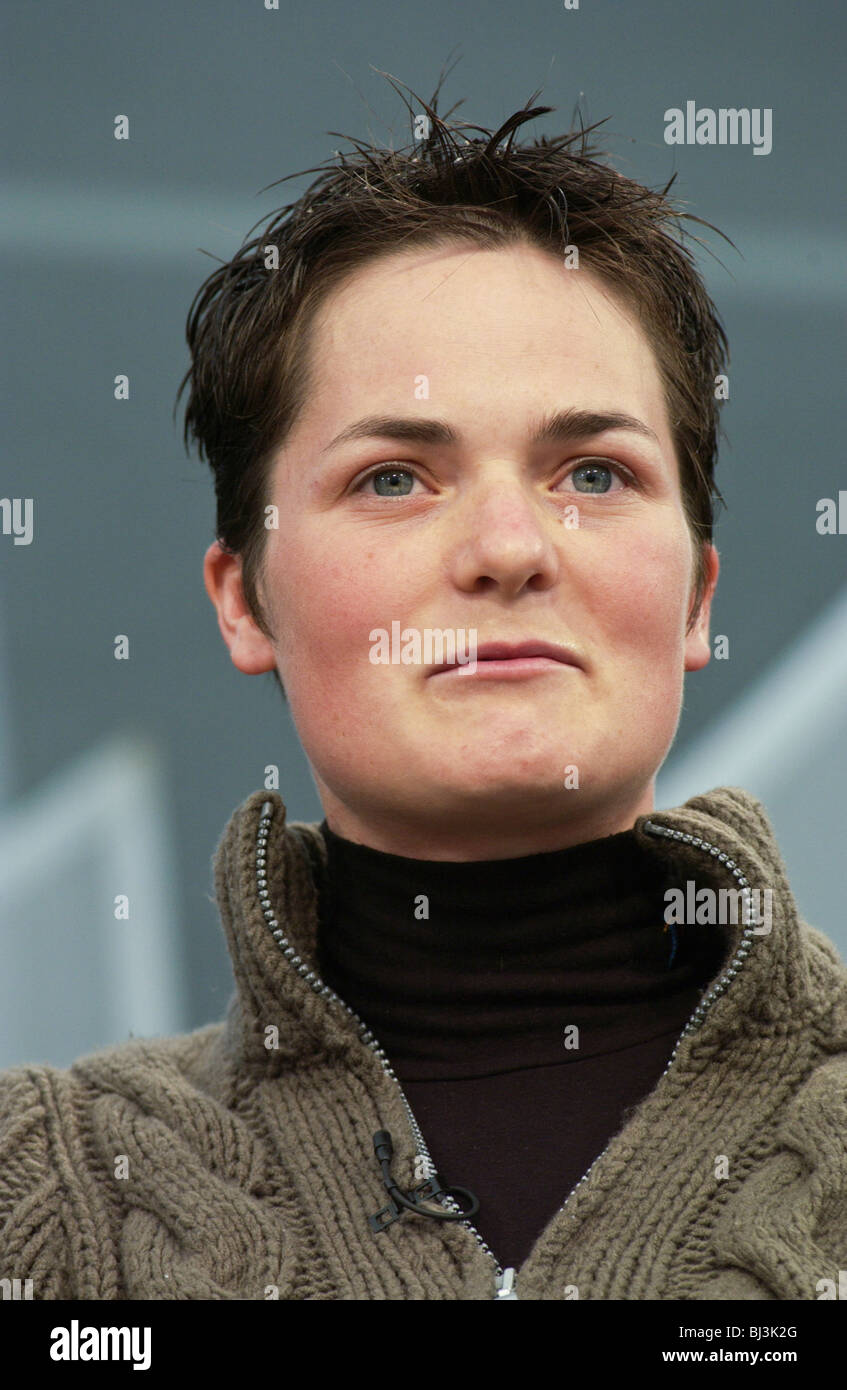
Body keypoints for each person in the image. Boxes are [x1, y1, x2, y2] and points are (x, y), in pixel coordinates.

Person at [1, 77, 845, 1302]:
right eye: (395, 478)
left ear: (699, 598)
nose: (509, 545)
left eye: (593, 474)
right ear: (243, 598)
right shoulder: (43, 1195)